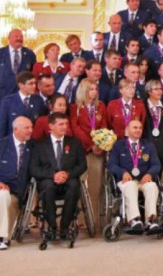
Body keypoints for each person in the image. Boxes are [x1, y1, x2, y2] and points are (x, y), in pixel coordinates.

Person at [30, 112, 87, 240]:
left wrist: (68, 174)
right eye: (61, 124)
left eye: (66, 124)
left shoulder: (75, 143)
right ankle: (52, 226)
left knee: (74, 186)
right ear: (51, 126)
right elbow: (34, 169)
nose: (64, 127)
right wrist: (53, 175)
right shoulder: (40, 145)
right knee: (48, 187)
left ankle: (64, 226)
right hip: (48, 180)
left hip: (69, 179)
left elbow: (82, 165)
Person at [107, 120, 162, 232]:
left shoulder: (148, 146)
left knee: (152, 186)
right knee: (131, 185)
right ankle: (134, 220)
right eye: (135, 127)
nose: (138, 130)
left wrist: (149, 174)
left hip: (143, 180)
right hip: (126, 181)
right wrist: (122, 172)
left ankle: (150, 220)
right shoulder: (118, 145)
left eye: (140, 128)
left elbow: (156, 164)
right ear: (128, 129)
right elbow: (111, 165)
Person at [70, 79, 107, 227]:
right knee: (80, 184)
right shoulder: (75, 108)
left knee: (96, 185)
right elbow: (76, 129)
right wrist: (90, 144)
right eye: (91, 89)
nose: (94, 92)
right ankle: (79, 219)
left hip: (97, 151)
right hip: (81, 150)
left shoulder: (101, 106)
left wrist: (100, 143)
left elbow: (104, 126)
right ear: (83, 90)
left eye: (95, 89)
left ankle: (95, 219)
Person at [0, 116, 33, 250]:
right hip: (4, 188)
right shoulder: (2, 145)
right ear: (16, 129)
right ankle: (2, 237)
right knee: (2, 195)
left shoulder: (34, 146)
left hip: (22, 191)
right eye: (27, 128)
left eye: (31, 127)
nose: (31, 130)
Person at [0, 71, 45, 138]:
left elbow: (42, 122)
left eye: (35, 83)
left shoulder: (38, 100)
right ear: (21, 85)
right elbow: (2, 126)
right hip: (14, 140)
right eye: (30, 84)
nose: (34, 86)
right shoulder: (8, 101)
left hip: (32, 141)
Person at [0, 29, 37, 100]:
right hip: (3, 94)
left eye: (21, 36)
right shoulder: (1, 53)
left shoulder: (30, 54)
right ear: (9, 38)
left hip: (23, 95)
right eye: (16, 36)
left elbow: (33, 74)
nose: (19, 38)